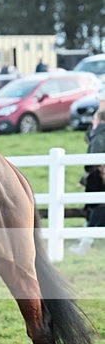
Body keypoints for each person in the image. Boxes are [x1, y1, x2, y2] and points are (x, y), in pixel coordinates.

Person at [70, 109, 105, 254]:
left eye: (94, 118)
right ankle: (83, 243)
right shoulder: (97, 133)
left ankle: (84, 245)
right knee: (95, 212)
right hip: (97, 177)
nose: (92, 121)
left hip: (99, 177)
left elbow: (94, 158)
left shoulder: (100, 134)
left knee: (96, 211)